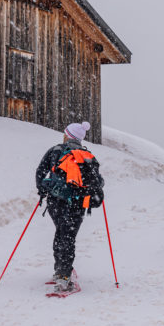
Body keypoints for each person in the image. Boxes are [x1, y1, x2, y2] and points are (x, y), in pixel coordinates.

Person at [34, 121, 104, 292]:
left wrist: (43, 190)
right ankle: (64, 276)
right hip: (78, 204)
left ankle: (60, 272)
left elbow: (40, 172)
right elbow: (98, 182)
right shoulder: (87, 156)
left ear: (68, 135)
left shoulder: (56, 151)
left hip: (55, 201)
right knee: (68, 236)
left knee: (61, 233)